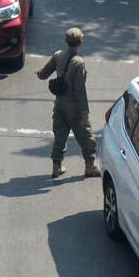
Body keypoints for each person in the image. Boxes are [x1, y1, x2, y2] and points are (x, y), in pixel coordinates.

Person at [35, 27, 98, 178]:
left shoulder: (58, 55)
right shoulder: (78, 62)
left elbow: (43, 74)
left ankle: (56, 166)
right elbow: (80, 90)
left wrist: (38, 73)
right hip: (74, 107)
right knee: (86, 136)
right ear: (80, 43)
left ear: (66, 41)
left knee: (60, 135)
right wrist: (84, 112)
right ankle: (90, 166)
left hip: (60, 104)